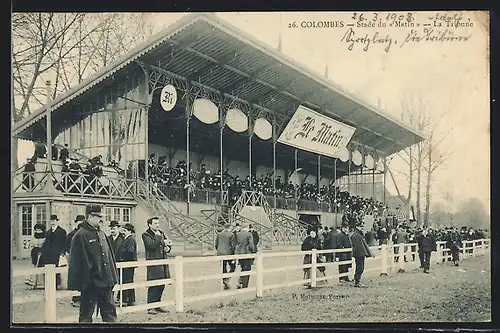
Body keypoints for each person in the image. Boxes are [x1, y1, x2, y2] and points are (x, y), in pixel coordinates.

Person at [67, 204, 118, 323]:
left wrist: (112, 278)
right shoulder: (80, 235)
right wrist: (84, 283)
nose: (101, 219)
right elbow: (77, 263)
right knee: (86, 316)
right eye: (98, 216)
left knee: (110, 316)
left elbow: (109, 257)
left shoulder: (101, 234)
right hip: (91, 284)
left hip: (105, 283)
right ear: (90, 217)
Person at [142, 217, 171, 315]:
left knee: (162, 284)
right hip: (153, 263)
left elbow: (167, 243)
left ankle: (157, 305)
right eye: (155, 223)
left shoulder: (161, 233)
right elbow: (151, 246)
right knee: (154, 284)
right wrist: (158, 237)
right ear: (150, 225)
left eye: (158, 223)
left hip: (163, 261)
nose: (157, 225)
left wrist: (168, 248)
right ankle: (150, 307)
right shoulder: (146, 235)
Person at [42, 214, 67, 289]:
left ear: (57, 221)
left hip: (57, 253)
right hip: (48, 254)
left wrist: (63, 252)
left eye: (54, 221)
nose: (52, 222)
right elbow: (45, 243)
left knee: (57, 269)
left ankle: (56, 284)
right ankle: (50, 284)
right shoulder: (48, 232)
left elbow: (64, 243)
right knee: (49, 269)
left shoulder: (62, 231)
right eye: (51, 221)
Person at [66, 215, 85, 306]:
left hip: (85, 260)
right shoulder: (72, 234)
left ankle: (84, 298)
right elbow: (67, 247)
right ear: (76, 223)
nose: (80, 223)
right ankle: (76, 299)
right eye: (79, 222)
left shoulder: (86, 233)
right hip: (75, 260)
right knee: (76, 279)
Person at [117, 223, 137, 306]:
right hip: (127, 263)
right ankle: (129, 299)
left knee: (127, 281)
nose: (123, 231)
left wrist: (122, 256)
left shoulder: (130, 239)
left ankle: (128, 300)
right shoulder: (126, 239)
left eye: (125, 230)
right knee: (126, 281)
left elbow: (130, 251)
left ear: (129, 231)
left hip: (128, 264)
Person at [350, 223, 374, 288]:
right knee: (360, 268)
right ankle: (357, 281)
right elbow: (358, 246)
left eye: (362, 226)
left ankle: (357, 281)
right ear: (357, 227)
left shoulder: (359, 234)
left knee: (360, 267)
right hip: (359, 254)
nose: (362, 228)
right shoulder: (356, 235)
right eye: (360, 226)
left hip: (360, 254)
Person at [234, 223, 255, 289]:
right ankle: (245, 285)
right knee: (247, 269)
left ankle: (240, 280)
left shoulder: (237, 234)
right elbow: (251, 244)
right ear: (247, 228)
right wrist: (253, 251)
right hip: (247, 253)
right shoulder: (249, 234)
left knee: (243, 267)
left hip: (240, 253)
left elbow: (235, 244)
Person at [25, 223, 47, 289]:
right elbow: (31, 245)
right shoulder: (33, 237)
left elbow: (46, 246)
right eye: (36, 230)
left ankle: (41, 284)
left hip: (42, 253)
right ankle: (33, 282)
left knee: (41, 267)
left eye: (39, 230)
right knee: (34, 266)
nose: (38, 231)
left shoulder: (46, 237)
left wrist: (42, 251)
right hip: (34, 252)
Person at [215, 223, 236, 290]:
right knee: (233, 266)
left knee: (223, 267)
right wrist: (234, 253)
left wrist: (219, 250)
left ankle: (224, 280)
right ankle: (227, 278)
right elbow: (233, 245)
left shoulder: (219, 234)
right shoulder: (231, 234)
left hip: (220, 252)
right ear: (229, 227)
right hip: (228, 252)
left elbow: (216, 244)